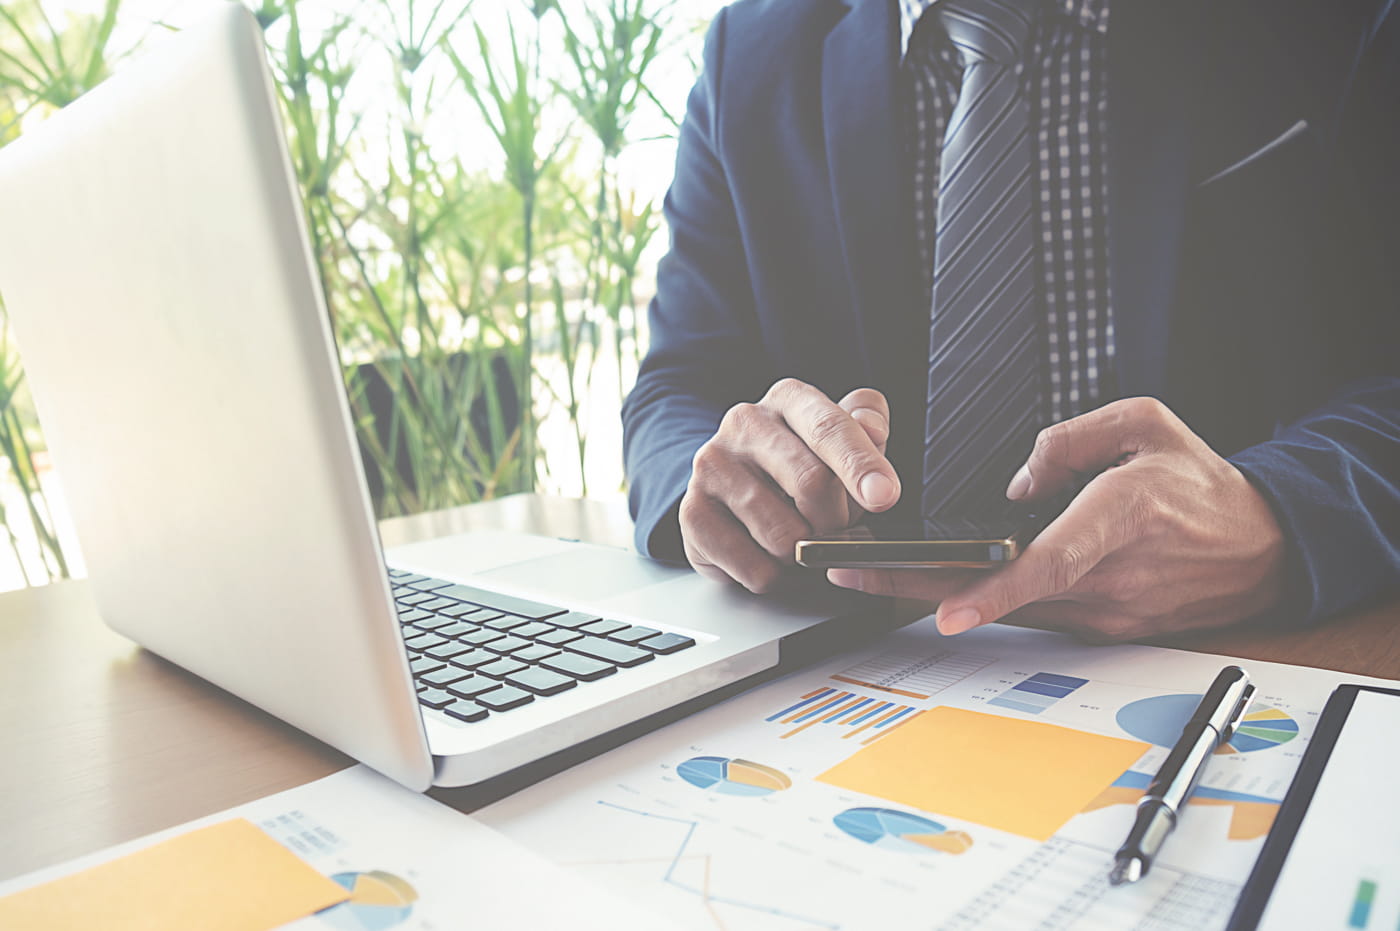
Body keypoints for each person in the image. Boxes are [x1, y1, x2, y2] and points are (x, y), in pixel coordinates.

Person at [621, 0, 1400, 641]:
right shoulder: (751, 54)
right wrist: (731, 485)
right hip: (876, 660)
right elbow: (677, 387)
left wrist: (1278, 512)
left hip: (1253, 657)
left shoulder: (1336, 21)